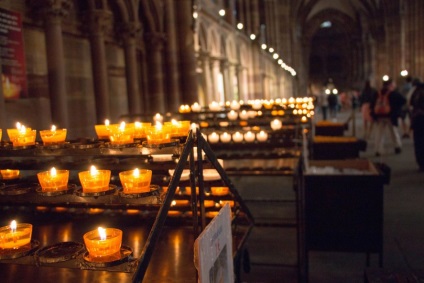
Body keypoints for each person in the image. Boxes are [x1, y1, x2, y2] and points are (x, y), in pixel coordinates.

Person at [371, 79, 406, 156]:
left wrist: (374, 115)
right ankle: (397, 146)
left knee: (379, 133)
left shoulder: (378, 93)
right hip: (390, 115)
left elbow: (372, 103)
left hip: (379, 116)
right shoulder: (393, 93)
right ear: (390, 85)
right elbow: (403, 100)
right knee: (393, 132)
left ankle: (378, 149)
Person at [409, 79, 424, 171]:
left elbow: (410, 103)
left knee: (418, 143)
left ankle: (421, 163)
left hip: (417, 120)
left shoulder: (415, 93)